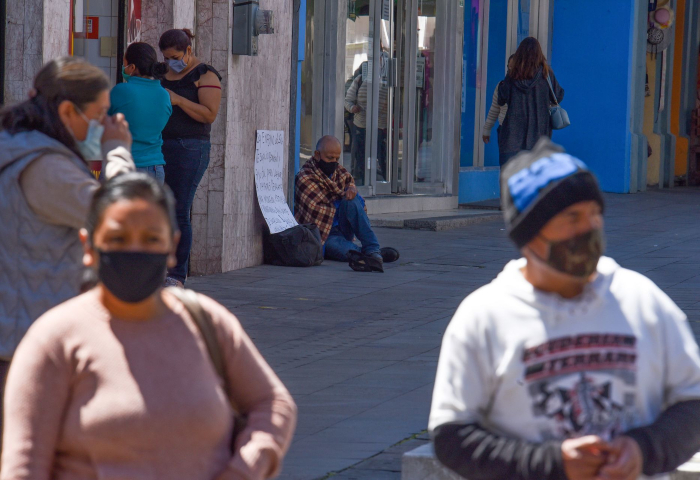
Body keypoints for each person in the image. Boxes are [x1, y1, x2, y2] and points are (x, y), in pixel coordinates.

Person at [429, 138, 700, 480]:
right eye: (573, 217)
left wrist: (643, 450)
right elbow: (451, 437)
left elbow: (693, 403)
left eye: (595, 213)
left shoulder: (642, 299)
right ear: (529, 234)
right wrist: (553, 463)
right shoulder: (484, 316)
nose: (590, 228)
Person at [1, 173, 297, 479]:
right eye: (118, 239)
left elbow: (272, 403)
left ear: (173, 246)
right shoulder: (53, 340)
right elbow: (24, 466)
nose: (134, 251)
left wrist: (245, 469)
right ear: (88, 246)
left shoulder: (207, 322)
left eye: (151, 239)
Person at [0, 57, 134, 412]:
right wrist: (117, 150)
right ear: (67, 111)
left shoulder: (14, 146)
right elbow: (124, 219)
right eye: (99, 114)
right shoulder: (46, 168)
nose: (103, 124)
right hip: (28, 347)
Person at [159, 28, 222, 288]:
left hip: (190, 147)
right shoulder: (162, 73)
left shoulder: (205, 75)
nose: (170, 62)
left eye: (174, 57)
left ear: (188, 51)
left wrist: (179, 101)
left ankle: (176, 274)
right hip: (159, 145)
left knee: (179, 209)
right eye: (166, 58)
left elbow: (209, 114)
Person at [295, 136, 399, 272]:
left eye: (336, 158)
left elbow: (354, 201)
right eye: (329, 158)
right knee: (342, 250)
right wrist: (342, 197)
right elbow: (315, 209)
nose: (333, 162)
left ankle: (372, 249)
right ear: (317, 155)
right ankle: (373, 255)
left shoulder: (340, 173)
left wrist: (351, 191)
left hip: (342, 229)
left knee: (352, 200)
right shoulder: (305, 177)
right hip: (323, 235)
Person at [109, 42, 172, 184]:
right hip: (154, 169)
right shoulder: (164, 95)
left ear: (132, 67)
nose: (123, 67)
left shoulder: (121, 91)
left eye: (125, 64)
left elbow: (102, 122)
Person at [497, 37, 564, 167]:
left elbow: (501, 98)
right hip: (539, 138)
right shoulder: (546, 74)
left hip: (512, 138)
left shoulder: (512, 75)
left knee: (511, 177)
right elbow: (558, 95)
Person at [344, 65, 389, 183]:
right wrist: (353, 108)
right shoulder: (360, 80)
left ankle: (384, 179)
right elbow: (348, 100)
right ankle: (362, 179)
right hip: (361, 125)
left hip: (381, 126)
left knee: (382, 155)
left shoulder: (387, 81)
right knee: (361, 155)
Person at [482, 55, 514, 146]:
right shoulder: (501, 86)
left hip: (521, 132)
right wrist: (487, 129)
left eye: (515, 67)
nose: (511, 69)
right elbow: (494, 109)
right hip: (504, 130)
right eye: (510, 66)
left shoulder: (526, 87)